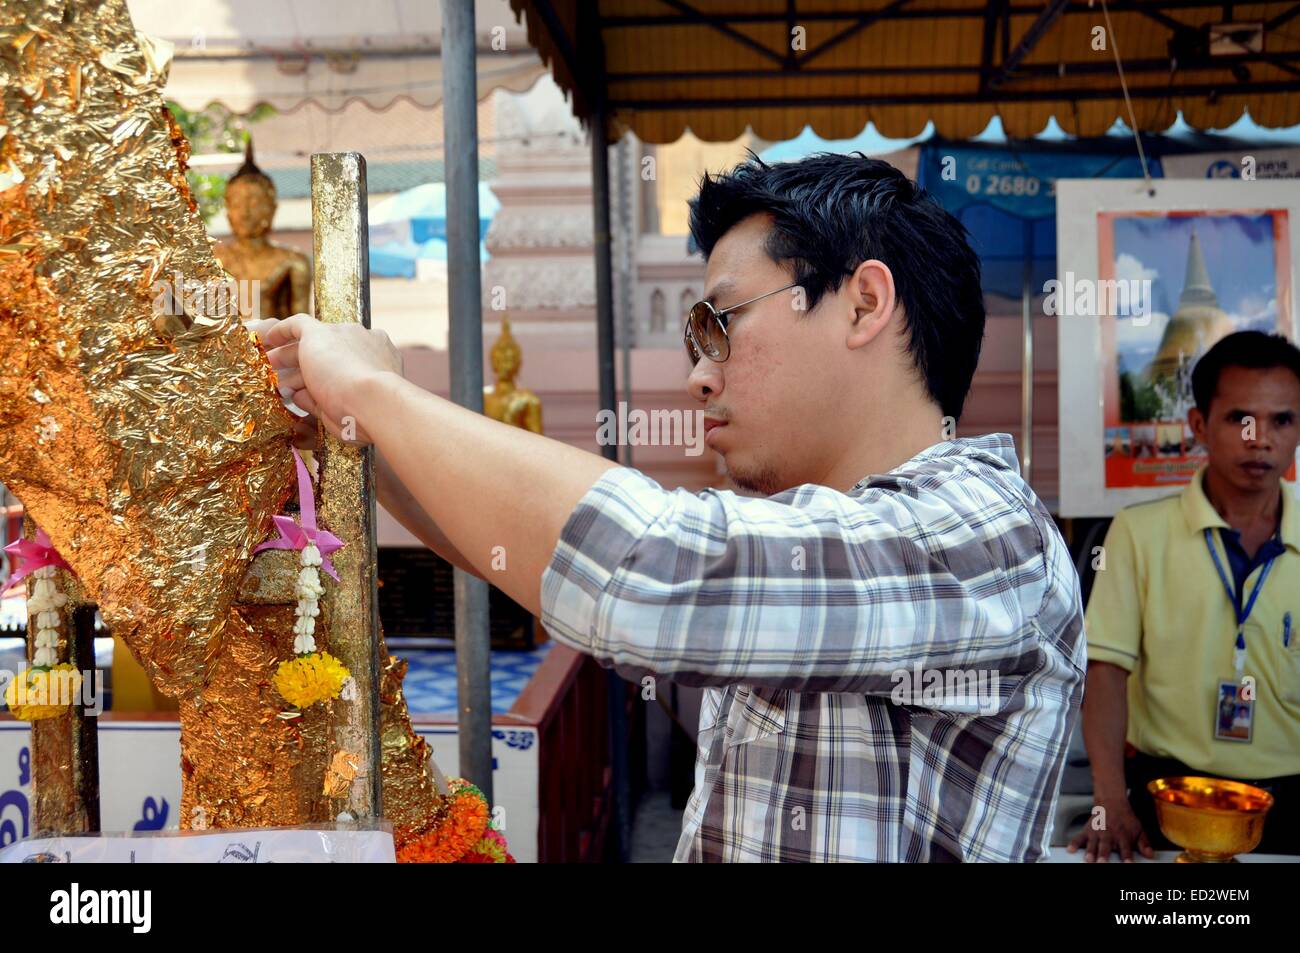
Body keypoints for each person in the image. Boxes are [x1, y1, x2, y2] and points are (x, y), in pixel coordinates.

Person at [258, 153, 1084, 862]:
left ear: (864, 304)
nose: (699, 376)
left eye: (719, 324)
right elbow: (517, 554)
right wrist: (357, 427)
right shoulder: (814, 528)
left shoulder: (982, 532)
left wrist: (377, 389)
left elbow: (647, 568)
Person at [1071, 331, 1300, 861]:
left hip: (1290, 805)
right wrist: (1109, 801)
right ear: (1198, 426)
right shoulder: (1137, 533)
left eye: (1281, 420)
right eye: (1239, 418)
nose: (1259, 438)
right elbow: (1105, 671)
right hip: (1165, 803)